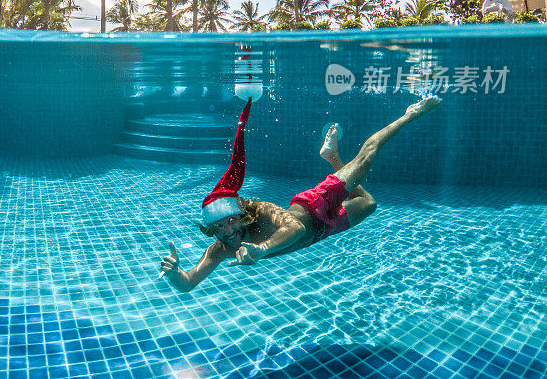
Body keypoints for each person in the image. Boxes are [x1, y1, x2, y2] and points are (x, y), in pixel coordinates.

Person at [159, 95, 441, 292]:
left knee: (364, 162)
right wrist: (174, 275)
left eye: (229, 221)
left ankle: (409, 114)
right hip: (320, 233)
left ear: (239, 215)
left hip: (314, 206)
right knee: (368, 203)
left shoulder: (259, 211)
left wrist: (261, 249)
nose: (227, 231)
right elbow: (187, 284)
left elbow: (293, 226)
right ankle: (331, 156)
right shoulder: (220, 250)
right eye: (218, 228)